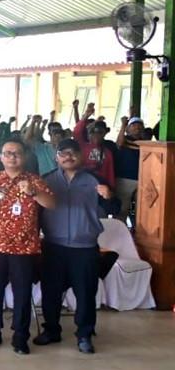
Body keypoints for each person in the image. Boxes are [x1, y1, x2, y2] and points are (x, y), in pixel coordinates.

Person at [0, 137, 56, 355]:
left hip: (24, 248)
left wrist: (34, 193)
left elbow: (52, 204)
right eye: (7, 153)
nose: (12, 157)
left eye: (16, 153)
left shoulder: (34, 180)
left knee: (22, 292)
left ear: (24, 156)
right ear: (0, 157)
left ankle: (20, 336)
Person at [37, 139, 110, 354]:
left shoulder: (95, 180)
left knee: (86, 293)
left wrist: (108, 195)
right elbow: (36, 212)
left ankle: (85, 334)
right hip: (53, 246)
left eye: (72, 152)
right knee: (50, 291)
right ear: (56, 157)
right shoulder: (46, 180)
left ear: (81, 154)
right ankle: (51, 330)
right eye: (63, 153)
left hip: (84, 247)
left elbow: (114, 206)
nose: (68, 156)